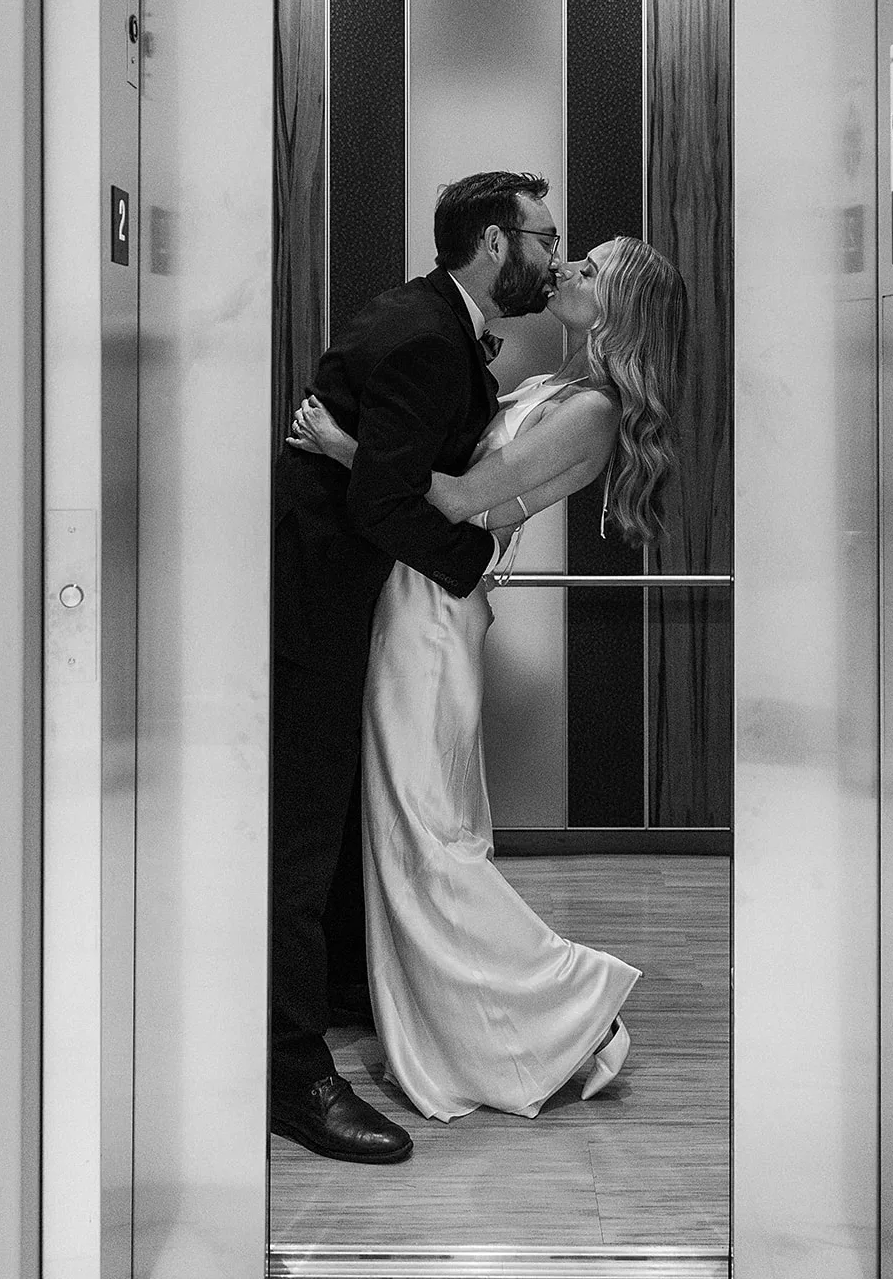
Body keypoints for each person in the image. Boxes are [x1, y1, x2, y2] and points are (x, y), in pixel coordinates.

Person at [287, 234, 687, 1122]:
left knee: (427, 837)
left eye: (594, 268)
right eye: (572, 254)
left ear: (621, 305)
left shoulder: (592, 412)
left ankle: (568, 1010)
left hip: (431, 615)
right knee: (409, 830)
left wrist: (345, 444)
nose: (569, 268)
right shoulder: (563, 388)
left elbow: (463, 500)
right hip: (414, 594)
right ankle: (459, 1021)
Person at [270, 171, 560, 1164]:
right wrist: (478, 569)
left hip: (357, 595)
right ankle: (292, 1073)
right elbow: (384, 504)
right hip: (319, 596)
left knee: (354, 809)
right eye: (543, 236)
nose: (554, 254)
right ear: (493, 243)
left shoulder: (435, 321)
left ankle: (351, 994)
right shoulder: (428, 336)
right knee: (304, 831)